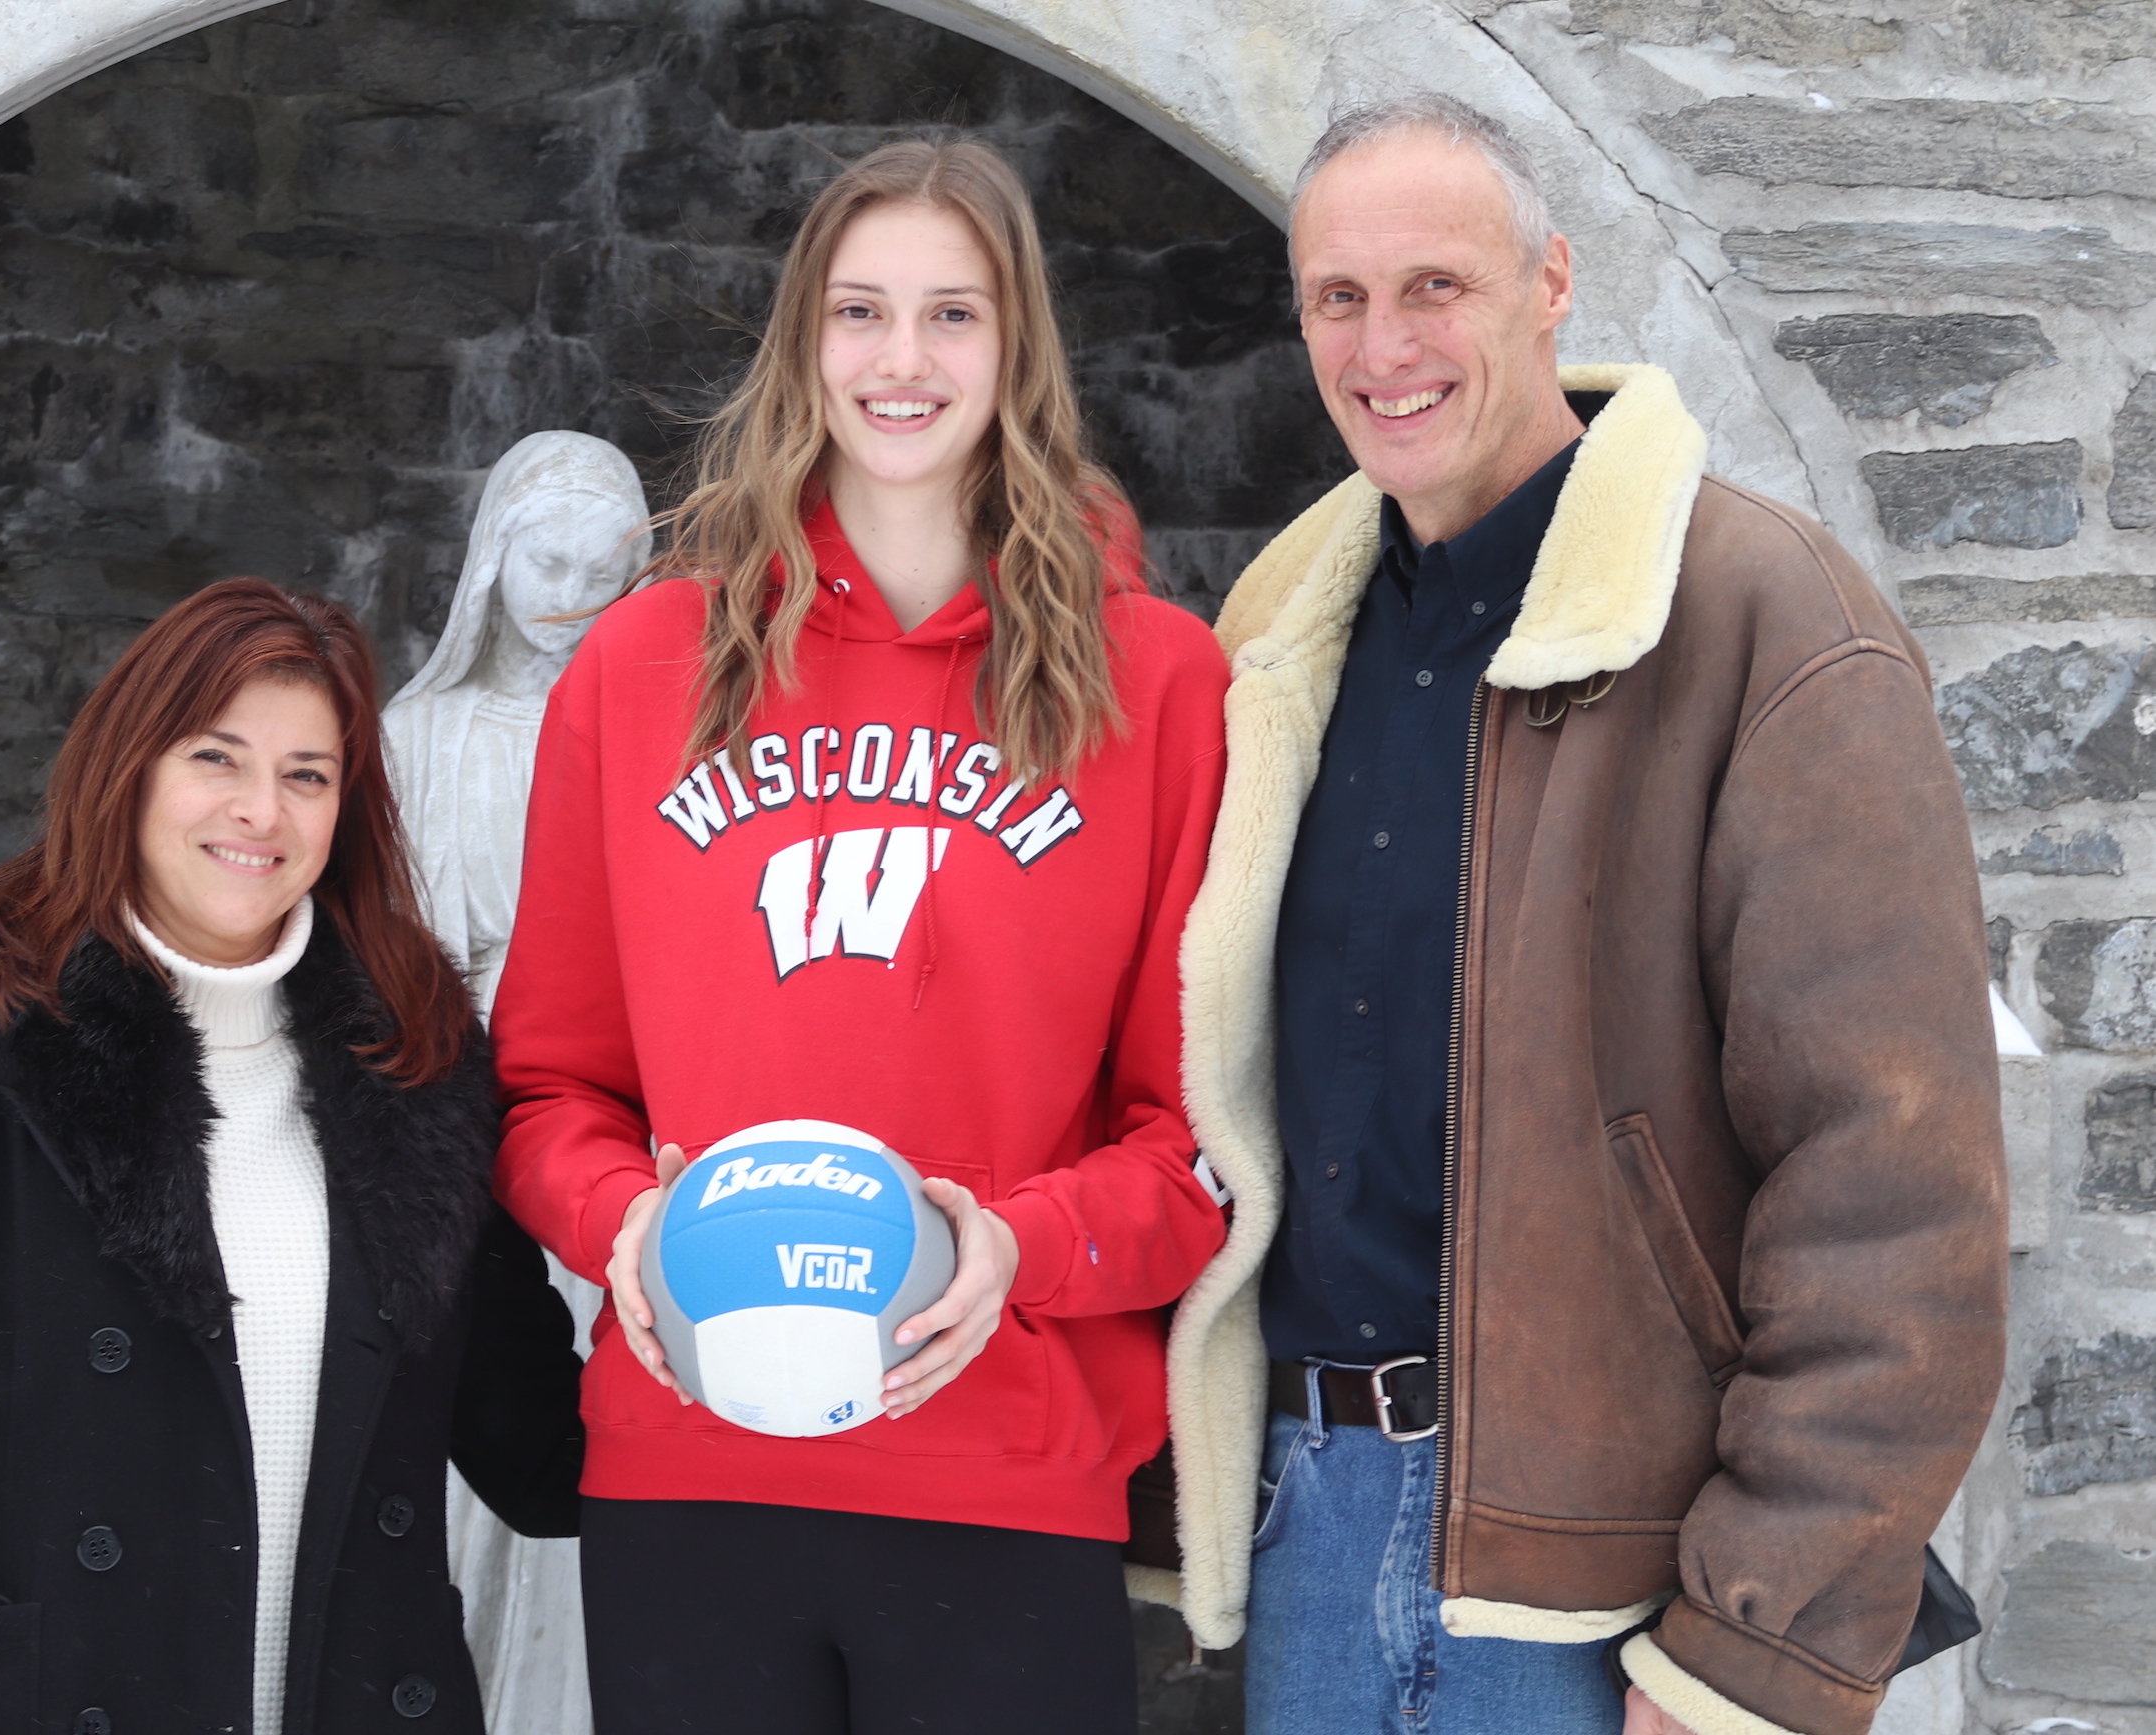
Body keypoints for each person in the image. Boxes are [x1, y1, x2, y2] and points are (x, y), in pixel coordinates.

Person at [1160, 96, 2007, 1735]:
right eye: (1339, 296)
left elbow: (1895, 1191)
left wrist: (1747, 1646)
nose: (1384, 344)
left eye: (1437, 286)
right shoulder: (1277, 644)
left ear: (1552, 282)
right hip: (1315, 1518)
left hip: (1615, 1589)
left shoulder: (1769, 621)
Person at [490, 136, 1231, 1735]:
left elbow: (1204, 1152)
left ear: (1017, 349)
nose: (902, 362)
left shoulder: (1163, 689)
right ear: (802, 344)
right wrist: (623, 1225)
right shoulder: (636, 670)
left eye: (953, 315)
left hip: (1008, 1477)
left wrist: (1009, 1248)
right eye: (861, 313)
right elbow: (548, 1093)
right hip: (686, 1474)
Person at [0, 578, 586, 1735]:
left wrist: (708, 1269)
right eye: (218, 756)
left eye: (307, 773)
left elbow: (538, 1449)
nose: (262, 809)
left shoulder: (422, 1062)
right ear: (132, 766)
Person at [385, 428, 653, 1735]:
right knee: (468, 1458)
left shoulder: (655, 731)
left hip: (613, 1142)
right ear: (491, 556)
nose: (570, 596)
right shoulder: (415, 738)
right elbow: (388, 963)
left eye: (606, 571)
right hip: (458, 1133)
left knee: (600, 1467)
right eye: (548, 560)